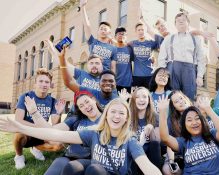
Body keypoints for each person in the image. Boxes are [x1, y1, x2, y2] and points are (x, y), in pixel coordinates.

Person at [0, 98, 162, 175]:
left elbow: (147, 167)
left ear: (126, 118)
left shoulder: (130, 140)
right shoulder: (93, 133)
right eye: (113, 112)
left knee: (95, 169)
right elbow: (55, 134)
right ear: (106, 115)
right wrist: (20, 127)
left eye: (121, 113)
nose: (117, 116)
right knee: (73, 167)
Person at [33, 91, 101, 175]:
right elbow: (51, 130)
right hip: (69, 156)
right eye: (81, 106)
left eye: (87, 102)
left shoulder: (107, 119)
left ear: (93, 100)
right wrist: (34, 112)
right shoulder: (76, 119)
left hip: (90, 159)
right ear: (80, 110)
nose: (86, 106)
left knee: (72, 167)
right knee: (59, 163)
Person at [158, 95, 219, 174]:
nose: (194, 123)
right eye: (189, 120)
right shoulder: (183, 142)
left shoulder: (212, 134)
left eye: (197, 118)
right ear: (184, 125)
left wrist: (208, 109)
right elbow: (165, 138)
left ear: (203, 121)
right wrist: (162, 113)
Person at [13, 68, 64, 169]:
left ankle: (36, 148)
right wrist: (37, 127)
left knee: (59, 145)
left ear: (50, 85)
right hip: (27, 132)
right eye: (41, 81)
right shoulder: (26, 96)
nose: (44, 84)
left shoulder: (53, 101)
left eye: (47, 82)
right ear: (35, 83)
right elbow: (18, 120)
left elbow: (55, 126)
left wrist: (59, 113)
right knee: (19, 133)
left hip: (41, 134)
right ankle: (19, 156)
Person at [158, 12, 206, 100]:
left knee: (189, 97)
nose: (181, 22)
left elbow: (201, 59)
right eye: (178, 21)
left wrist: (199, 76)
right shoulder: (168, 38)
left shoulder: (196, 39)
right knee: (172, 96)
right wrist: (163, 73)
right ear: (175, 24)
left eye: (183, 20)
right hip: (172, 69)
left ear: (188, 23)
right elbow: (161, 57)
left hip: (190, 70)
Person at [58, 47, 118, 111]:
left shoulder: (107, 82)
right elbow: (64, 64)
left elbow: (114, 101)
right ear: (87, 66)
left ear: (102, 66)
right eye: (91, 63)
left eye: (97, 63)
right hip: (77, 113)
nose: (94, 65)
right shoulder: (81, 73)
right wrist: (54, 51)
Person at [129, 87, 161, 173]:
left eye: (144, 96)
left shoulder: (155, 116)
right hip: (135, 154)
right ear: (133, 100)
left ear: (149, 100)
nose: (141, 100)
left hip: (150, 154)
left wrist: (151, 132)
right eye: (137, 97)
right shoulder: (128, 116)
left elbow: (158, 141)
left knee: (155, 144)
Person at [80, 0, 117, 71]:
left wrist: (112, 80)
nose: (103, 31)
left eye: (105, 29)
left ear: (109, 32)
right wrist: (82, 7)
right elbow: (86, 25)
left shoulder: (113, 48)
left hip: (105, 77)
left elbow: (113, 67)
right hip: (92, 76)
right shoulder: (93, 42)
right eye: (101, 29)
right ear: (98, 31)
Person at [128, 22, 161, 88]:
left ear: (146, 31)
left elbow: (161, 45)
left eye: (142, 30)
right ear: (136, 31)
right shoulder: (132, 43)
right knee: (136, 96)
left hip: (149, 75)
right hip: (136, 76)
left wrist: (154, 59)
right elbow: (122, 45)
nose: (141, 31)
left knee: (148, 96)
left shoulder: (151, 43)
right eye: (139, 30)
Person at [111, 26, 134, 93]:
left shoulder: (130, 49)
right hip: (115, 83)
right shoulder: (112, 49)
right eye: (119, 34)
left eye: (123, 34)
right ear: (115, 36)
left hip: (127, 83)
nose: (121, 35)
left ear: (126, 37)